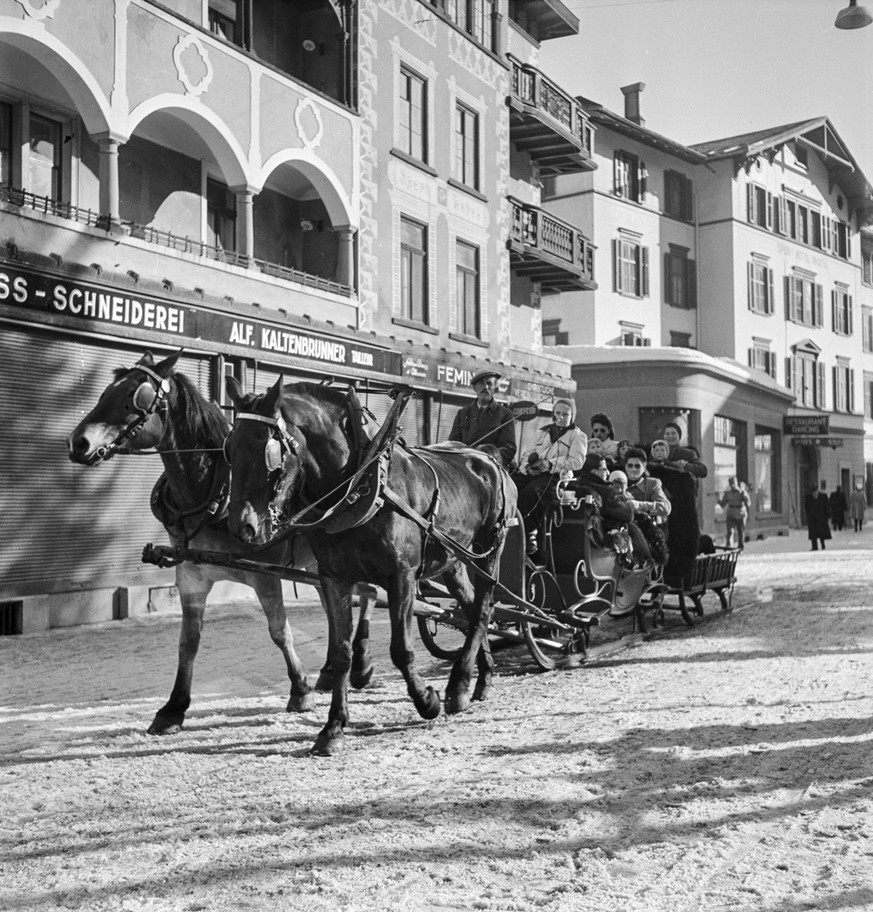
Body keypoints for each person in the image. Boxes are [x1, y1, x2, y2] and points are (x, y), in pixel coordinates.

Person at [516, 399, 588, 549]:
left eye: (565, 414)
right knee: (512, 484)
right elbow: (527, 454)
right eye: (558, 413)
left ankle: (529, 532)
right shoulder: (542, 432)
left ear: (572, 416)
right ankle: (507, 527)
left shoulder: (577, 436)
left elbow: (577, 461)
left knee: (532, 492)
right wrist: (527, 467)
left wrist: (549, 464)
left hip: (555, 477)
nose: (561, 417)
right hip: (534, 473)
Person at [449, 369, 516, 466]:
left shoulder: (506, 415)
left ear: (495, 389)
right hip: (463, 466)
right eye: (481, 383)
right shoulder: (462, 413)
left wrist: (488, 458)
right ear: (475, 388)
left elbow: (508, 448)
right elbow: (453, 443)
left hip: (490, 469)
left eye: (489, 383)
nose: (485, 387)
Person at [623, 447, 672, 526]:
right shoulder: (619, 482)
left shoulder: (652, 483)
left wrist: (639, 505)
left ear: (644, 467)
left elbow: (665, 507)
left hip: (645, 527)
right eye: (630, 466)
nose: (633, 469)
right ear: (625, 467)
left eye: (637, 466)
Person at [718, 476, 751, 551]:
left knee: (741, 532)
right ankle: (728, 547)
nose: (732, 485)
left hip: (740, 513)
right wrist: (718, 499)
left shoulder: (742, 492)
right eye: (730, 484)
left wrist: (745, 495)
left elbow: (748, 503)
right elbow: (723, 504)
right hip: (731, 513)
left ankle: (740, 548)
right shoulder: (728, 493)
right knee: (730, 531)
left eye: (733, 483)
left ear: (736, 483)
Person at [804, 482, 831, 551]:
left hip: (821, 518)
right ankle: (814, 547)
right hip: (812, 518)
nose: (814, 493)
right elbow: (806, 507)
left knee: (821, 532)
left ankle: (823, 545)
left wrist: (828, 516)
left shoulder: (823, 496)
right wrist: (808, 515)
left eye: (815, 491)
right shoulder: (808, 497)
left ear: (817, 490)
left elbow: (827, 507)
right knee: (813, 533)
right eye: (813, 492)